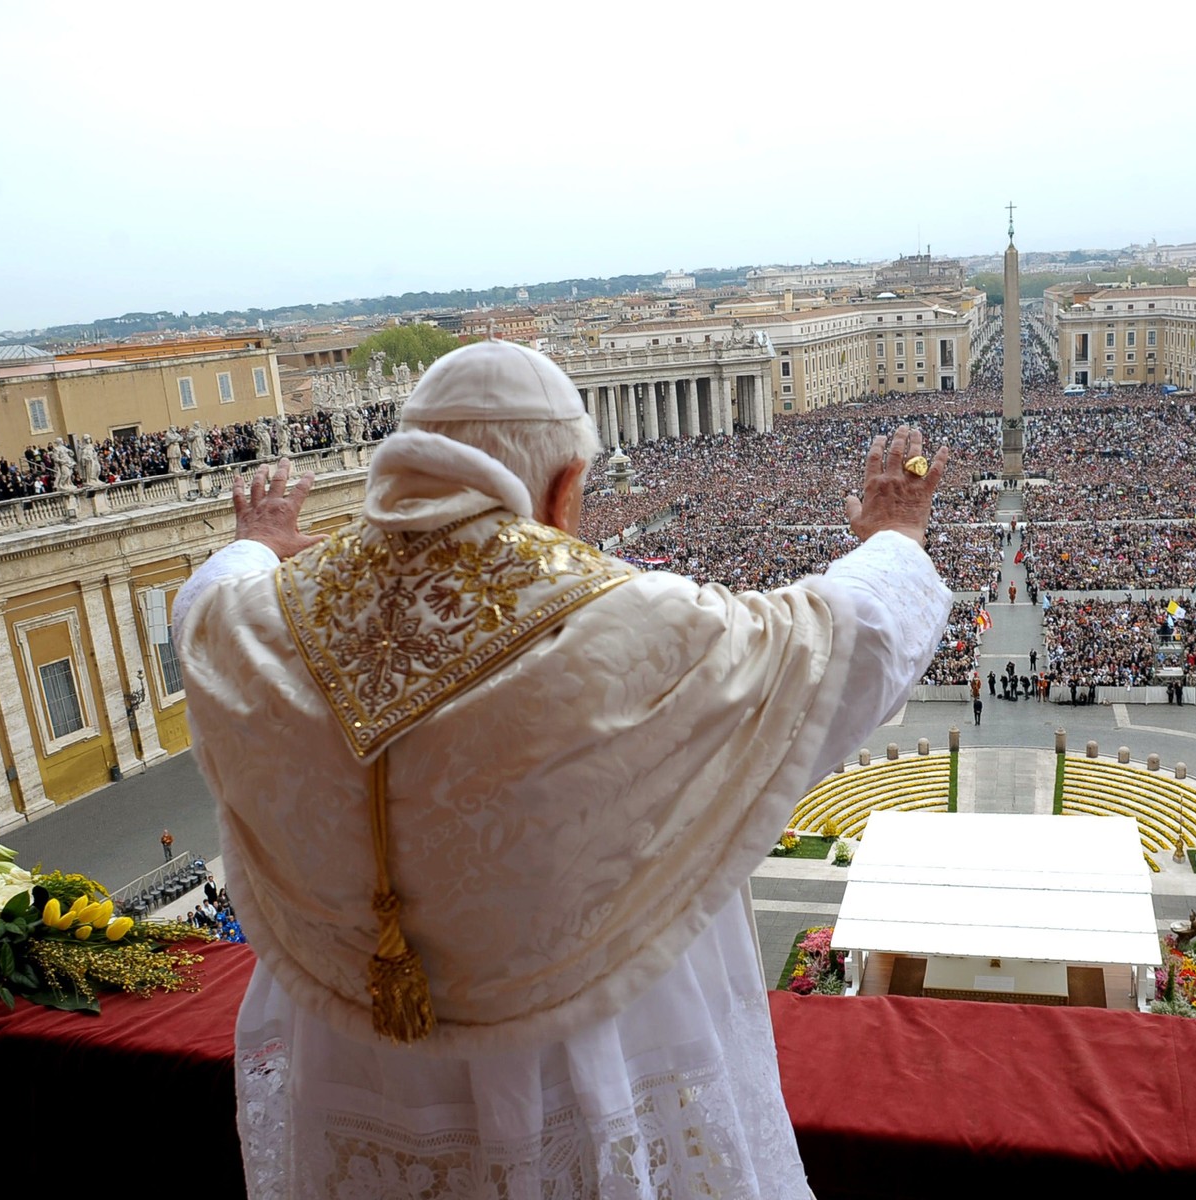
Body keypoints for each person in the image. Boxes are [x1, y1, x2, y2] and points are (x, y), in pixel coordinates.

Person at [174, 342, 955, 1198]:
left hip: (363, 1068)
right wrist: (896, 535)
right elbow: (849, 639)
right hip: (580, 1062)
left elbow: (205, 601)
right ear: (564, 487)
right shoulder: (633, 625)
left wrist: (256, 544)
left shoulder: (254, 621)